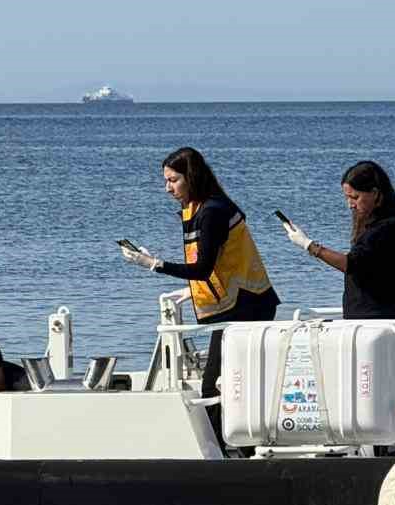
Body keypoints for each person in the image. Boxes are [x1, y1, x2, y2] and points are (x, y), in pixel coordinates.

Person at [119, 146, 280, 448]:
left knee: (216, 383)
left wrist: (154, 264)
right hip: (237, 303)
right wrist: (190, 290)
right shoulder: (199, 208)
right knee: (228, 381)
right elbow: (214, 265)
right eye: (165, 181)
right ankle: (238, 447)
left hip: (247, 305)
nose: (168, 188)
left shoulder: (212, 212)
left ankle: (227, 450)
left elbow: (203, 267)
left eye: (173, 180)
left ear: (191, 177)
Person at [279, 160, 395, 356]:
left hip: (380, 325)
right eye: (347, 197)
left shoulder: (389, 229)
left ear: (376, 194)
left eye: (355, 197)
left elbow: (352, 264)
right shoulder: (373, 228)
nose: (350, 204)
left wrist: (308, 245)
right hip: (364, 324)